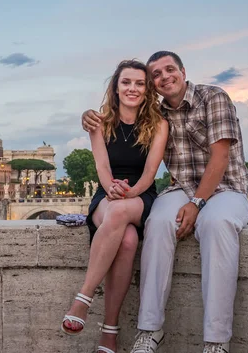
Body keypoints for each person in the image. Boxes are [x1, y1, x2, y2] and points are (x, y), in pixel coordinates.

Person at [82, 51, 248, 353]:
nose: (164, 77)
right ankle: (149, 330)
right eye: (156, 75)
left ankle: (216, 340)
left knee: (217, 223)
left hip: (226, 189)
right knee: (158, 222)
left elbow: (221, 156)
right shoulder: (157, 116)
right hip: (181, 190)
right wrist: (89, 117)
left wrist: (198, 203)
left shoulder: (214, 97)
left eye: (169, 70)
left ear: (183, 71)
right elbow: (116, 123)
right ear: (153, 85)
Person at [62, 60, 168, 353]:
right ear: (116, 88)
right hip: (106, 194)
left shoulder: (159, 125)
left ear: (147, 91)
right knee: (128, 239)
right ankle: (110, 331)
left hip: (140, 195)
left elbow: (150, 173)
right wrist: (111, 188)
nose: (132, 88)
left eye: (139, 83)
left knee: (121, 212)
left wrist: (130, 192)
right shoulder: (99, 123)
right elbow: (102, 165)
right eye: (126, 82)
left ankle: (83, 298)